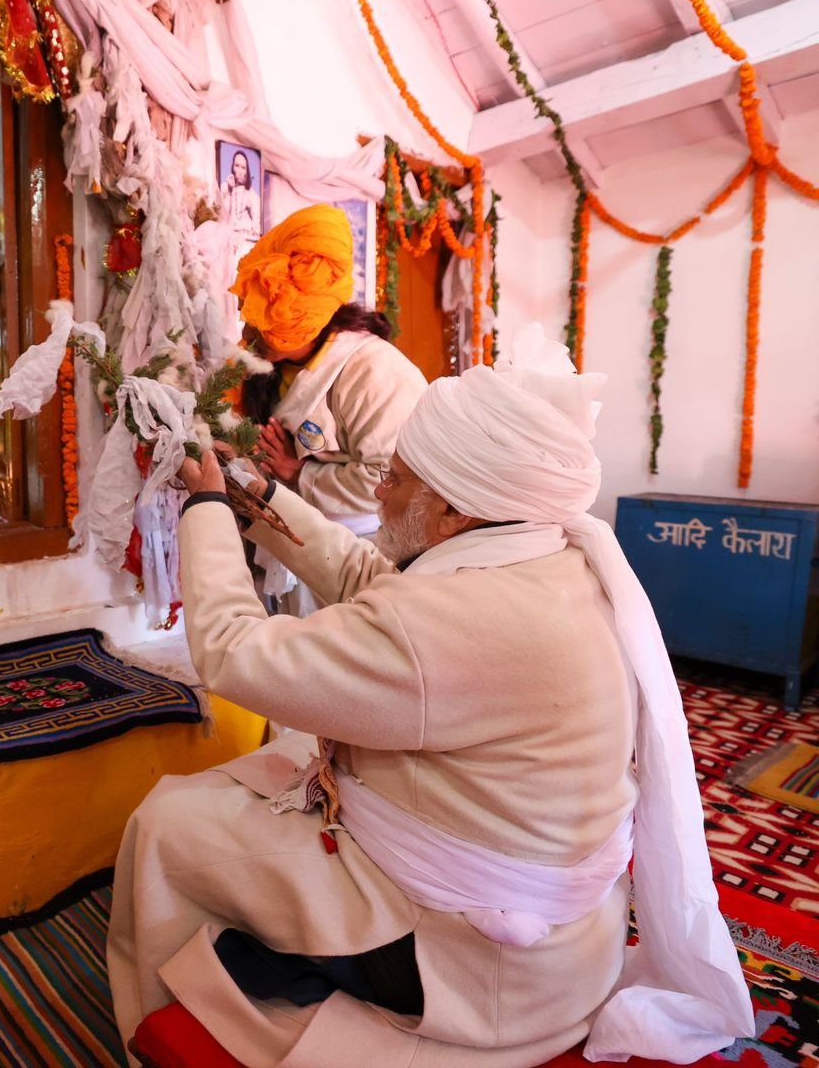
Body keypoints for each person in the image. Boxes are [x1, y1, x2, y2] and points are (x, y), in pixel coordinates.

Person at [107, 327, 753, 1066]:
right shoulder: (549, 558)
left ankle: (158, 1034)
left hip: (473, 962)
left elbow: (234, 653)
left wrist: (205, 509)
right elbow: (374, 581)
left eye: (396, 478)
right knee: (275, 764)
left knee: (167, 823)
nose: (377, 491)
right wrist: (256, 495)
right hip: (569, 947)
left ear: (453, 513)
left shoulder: (453, 619)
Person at [231, 203, 426, 612]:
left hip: (361, 552)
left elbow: (391, 479)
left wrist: (299, 473)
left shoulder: (374, 370)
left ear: (304, 320)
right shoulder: (269, 365)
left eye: (264, 318)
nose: (249, 330)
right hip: (290, 537)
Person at [219, 148, 262, 243]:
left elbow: (257, 223)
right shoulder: (224, 187)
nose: (239, 171)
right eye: (237, 166)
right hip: (227, 236)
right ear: (232, 167)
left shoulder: (251, 194)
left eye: (243, 167)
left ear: (247, 171)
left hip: (246, 237)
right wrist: (230, 192)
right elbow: (222, 217)